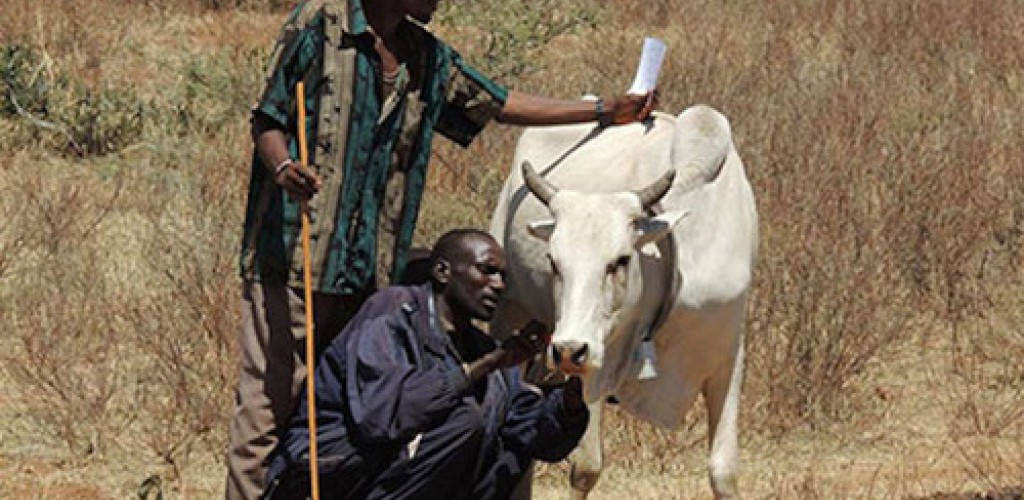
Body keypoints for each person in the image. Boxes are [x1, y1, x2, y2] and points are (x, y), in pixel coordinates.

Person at [226, 0, 655, 497]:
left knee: (349, 412)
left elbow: (498, 103)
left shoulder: (423, 57)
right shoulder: (319, 22)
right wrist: (283, 169)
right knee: (268, 414)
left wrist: (604, 110)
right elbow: (268, 117)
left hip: (372, 274)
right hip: (296, 261)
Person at [262, 229, 588, 500]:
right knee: (465, 421)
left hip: (398, 473)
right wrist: (487, 364)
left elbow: (532, 432)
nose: (499, 285)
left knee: (506, 445)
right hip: (329, 473)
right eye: (486, 271)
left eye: (503, 276)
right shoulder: (391, 313)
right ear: (443, 271)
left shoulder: (481, 346)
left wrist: (568, 404)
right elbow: (383, 415)